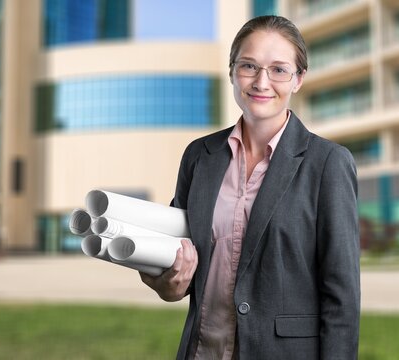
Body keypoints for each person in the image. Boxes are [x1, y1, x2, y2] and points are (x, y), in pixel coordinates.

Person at [140, 15, 360, 359]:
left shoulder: (328, 163)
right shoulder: (200, 157)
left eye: (279, 69)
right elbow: (174, 272)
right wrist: (168, 281)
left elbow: (342, 298)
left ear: (299, 79)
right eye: (249, 66)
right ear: (232, 72)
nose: (261, 81)